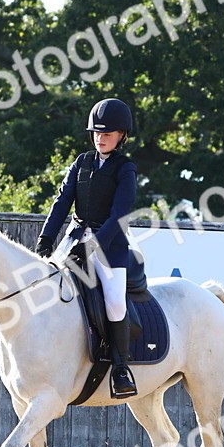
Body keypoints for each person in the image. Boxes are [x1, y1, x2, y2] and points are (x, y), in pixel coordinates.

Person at [36, 98, 140, 398]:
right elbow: (61, 203)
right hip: (73, 239)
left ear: (121, 135)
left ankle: (121, 368)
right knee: (43, 285)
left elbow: (119, 216)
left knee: (115, 303)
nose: (100, 138)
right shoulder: (81, 162)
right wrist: (46, 238)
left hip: (109, 247)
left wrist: (92, 247)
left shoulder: (125, 169)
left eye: (107, 133)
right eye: (96, 132)